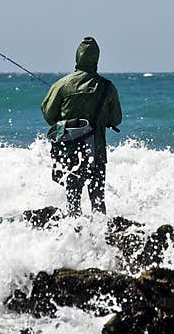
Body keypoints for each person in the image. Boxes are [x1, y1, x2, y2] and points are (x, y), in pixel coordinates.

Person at [41, 36, 122, 216]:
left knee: (73, 199)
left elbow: (48, 115)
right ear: (97, 58)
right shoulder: (107, 87)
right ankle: (99, 240)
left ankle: (75, 237)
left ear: (78, 57)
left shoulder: (61, 85)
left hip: (70, 152)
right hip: (97, 153)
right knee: (98, 200)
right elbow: (116, 119)